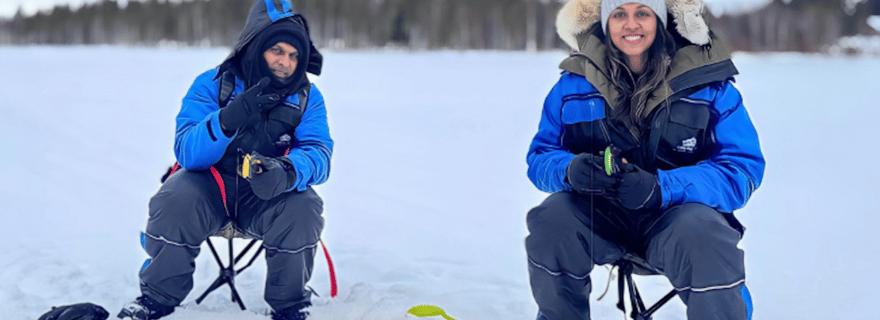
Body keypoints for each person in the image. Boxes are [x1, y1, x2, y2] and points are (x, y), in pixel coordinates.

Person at [525, 0, 764, 319]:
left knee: (705, 233)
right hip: (600, 217)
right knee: (552, 219)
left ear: (662, 20)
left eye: (642, 13)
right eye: (619, 14)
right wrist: (569, 170)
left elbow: (741, 169)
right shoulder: (572, 85)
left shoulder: (710, 86)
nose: (631, 24)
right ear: (605, 22)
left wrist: (661, 188)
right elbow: (541, 156)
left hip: (676, 219)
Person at [117, 1, 331, 319]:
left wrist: (287, 171)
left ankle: (291, 305)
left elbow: (319, 152)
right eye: (277, 50)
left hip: (266, 199)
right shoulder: (213, 83)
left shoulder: (307, 97)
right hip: (209, 191)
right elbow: (186, 150)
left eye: (293, 55)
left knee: (305, 205)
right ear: (256, 46)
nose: (285, 62)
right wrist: (227, 120)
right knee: (174, 196)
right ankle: (156, 298)